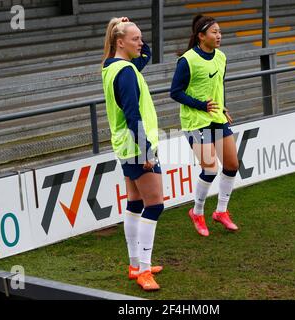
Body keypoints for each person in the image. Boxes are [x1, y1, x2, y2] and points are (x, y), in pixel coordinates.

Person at [101, 17, 163, 291]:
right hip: (136, 146)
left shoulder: (112, 66)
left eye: (140, 37)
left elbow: (146, 54)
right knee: (155, 204)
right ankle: (145, 270)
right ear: (119, 41)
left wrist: (128, 27)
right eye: (136, 38)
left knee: (136, 202)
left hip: (125, 145)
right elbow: (132, 114)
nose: (141, 43)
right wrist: (146, 150)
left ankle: (135, 264)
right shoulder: (125, 71)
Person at [170, 15, 239, 237]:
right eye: (214, 32)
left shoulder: (221, 57)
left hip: (216, 118)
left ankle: (221, 211)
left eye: (219, 32)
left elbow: (218, 86)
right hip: (195, 121)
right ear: (201, 36)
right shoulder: (187, 60)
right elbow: (175, 92)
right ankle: (197, 212)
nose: (219, 36)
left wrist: (223, 107)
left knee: (231, 165)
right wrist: (201, 105)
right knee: (210, 168)